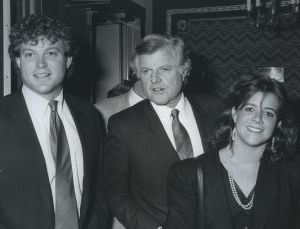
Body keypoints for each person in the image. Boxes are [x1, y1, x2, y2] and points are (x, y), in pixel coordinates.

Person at [104, 33, 224, 229]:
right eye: (146, 71)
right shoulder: (123, 126)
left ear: (184, 71)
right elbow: (116, 194)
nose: (155, 79)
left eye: (164, 69)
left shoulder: (216, 109)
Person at [0, 15, 109, 229]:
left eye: (51, 53)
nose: (41, 64)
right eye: (29, 54)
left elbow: (100, 186)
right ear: (18, 61)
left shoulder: (88, 115)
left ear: (67, 60)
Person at [165, 73, 300, 229]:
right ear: (235, 114)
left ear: (277, 124)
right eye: (250, 109)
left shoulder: (290, 174)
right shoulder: (188, 174)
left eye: (269, 113)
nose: (258, 118)